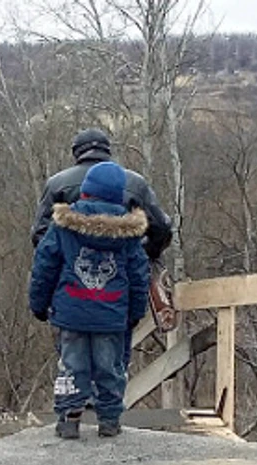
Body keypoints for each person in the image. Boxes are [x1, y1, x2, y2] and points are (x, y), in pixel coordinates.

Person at [31, 128, 172, 368]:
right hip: (118, 292)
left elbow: (41, 236)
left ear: (76, 152)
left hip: (72, 292)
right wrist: (145, 254)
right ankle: (110, 401)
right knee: (114, 365)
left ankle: (76, 398)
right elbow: (161, 228)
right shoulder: (134, 183)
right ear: (108, 151)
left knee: (73, 363)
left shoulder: (57, 184)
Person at [29, 162, 149, 439]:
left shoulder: (63, 226)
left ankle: (70, 418)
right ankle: (109, 419)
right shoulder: (129, 234)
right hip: (112, 313)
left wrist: (39, 303)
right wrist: (135, 311)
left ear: (85, 192)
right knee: (110, 367)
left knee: (72, 366)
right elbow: (139, 275)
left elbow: (44, 265)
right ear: (118, 195)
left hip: (71, 311)